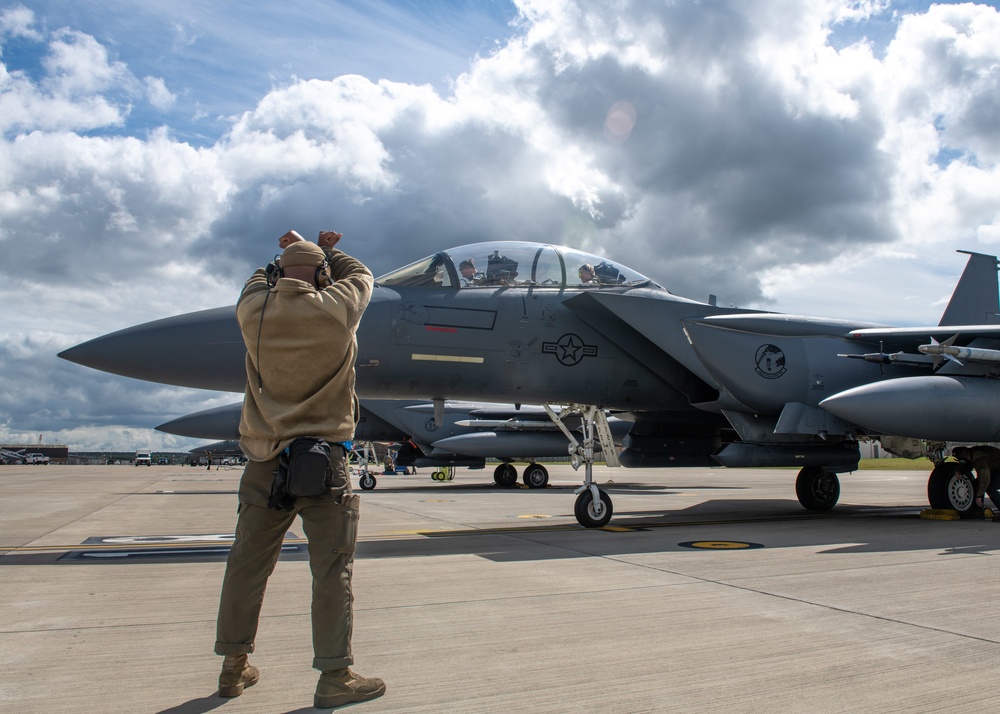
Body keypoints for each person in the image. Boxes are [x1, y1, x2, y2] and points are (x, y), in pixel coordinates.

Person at [214, 228, 385, 709]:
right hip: (323, 463)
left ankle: (233, 669)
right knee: (331, 572)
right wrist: (327, 249)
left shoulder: (253, 310)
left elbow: (257, 278)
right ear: (324, 276)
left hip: (263, 462)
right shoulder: (337, 308)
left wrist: (285, 252)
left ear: (277, 273)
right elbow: (363, 274)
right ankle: (335, 677)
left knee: (246, 567)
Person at [951, 445, 1000, 511]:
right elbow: (969, 465)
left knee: (989, 488)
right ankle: (978, 510)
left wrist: (979, 495)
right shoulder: (972, 453)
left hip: (997, 470)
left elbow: (985, 480)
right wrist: (959, 470)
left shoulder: (980, 459)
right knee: (977, 484)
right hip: (996, 469)